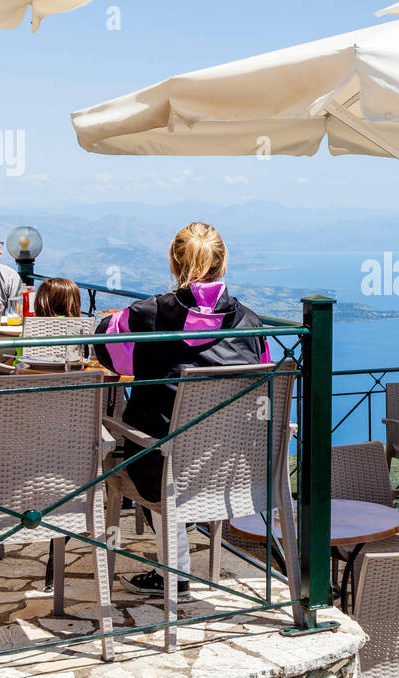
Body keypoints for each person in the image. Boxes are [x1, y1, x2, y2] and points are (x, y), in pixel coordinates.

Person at [95, 222, 271, 596]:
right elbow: (262, 388)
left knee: (151, 446)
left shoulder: (146, 314)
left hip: (165, 469)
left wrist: (111, 321)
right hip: (233, 469)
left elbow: (114, 358)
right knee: (177, 448)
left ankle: (174, 573)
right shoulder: (252, 324)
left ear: (175, 265)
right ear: (222, 266)